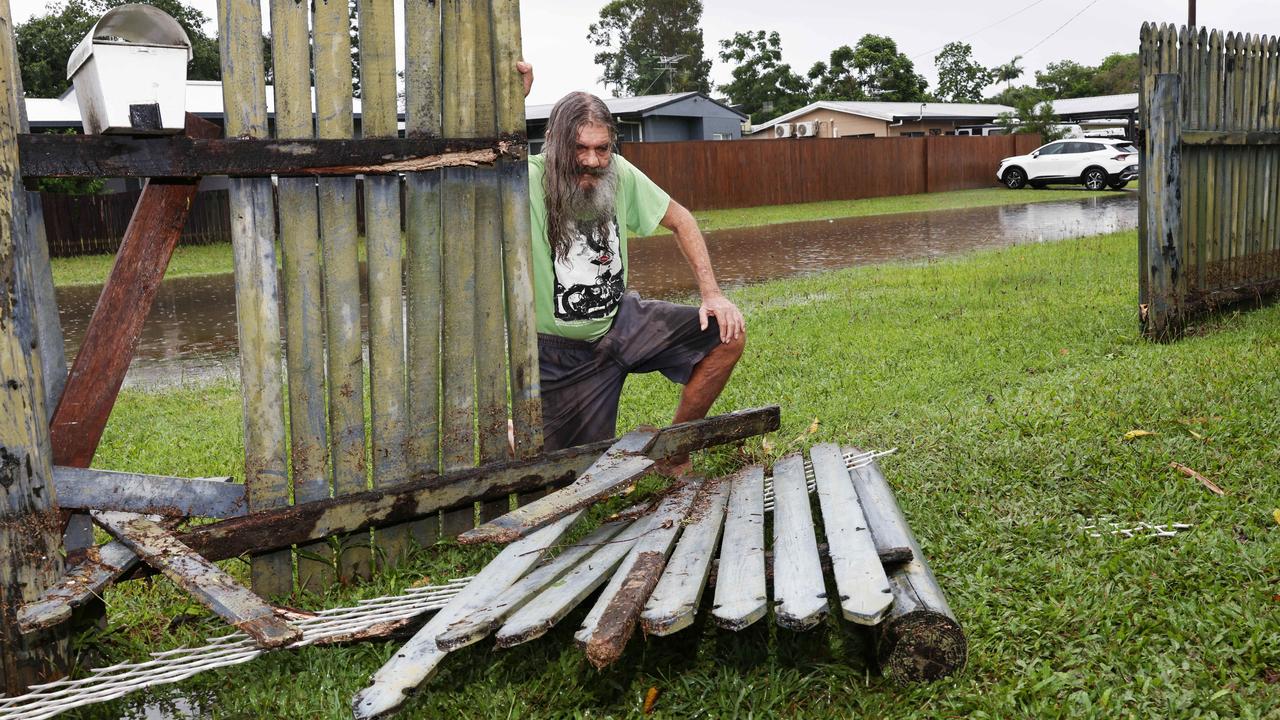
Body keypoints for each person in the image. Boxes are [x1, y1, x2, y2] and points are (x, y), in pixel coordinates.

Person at [517, 64, 746, 474]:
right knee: (556, 477)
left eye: (602, 148)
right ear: (551, 142)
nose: (591, 160)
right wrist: (509, 106)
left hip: (623, 322)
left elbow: (682, 219)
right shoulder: (526, 179)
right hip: (558, 355)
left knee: (727, 336)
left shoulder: (618, 173)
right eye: (580, 148)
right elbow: (478, 167)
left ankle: (675, 451)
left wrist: (712, 294)